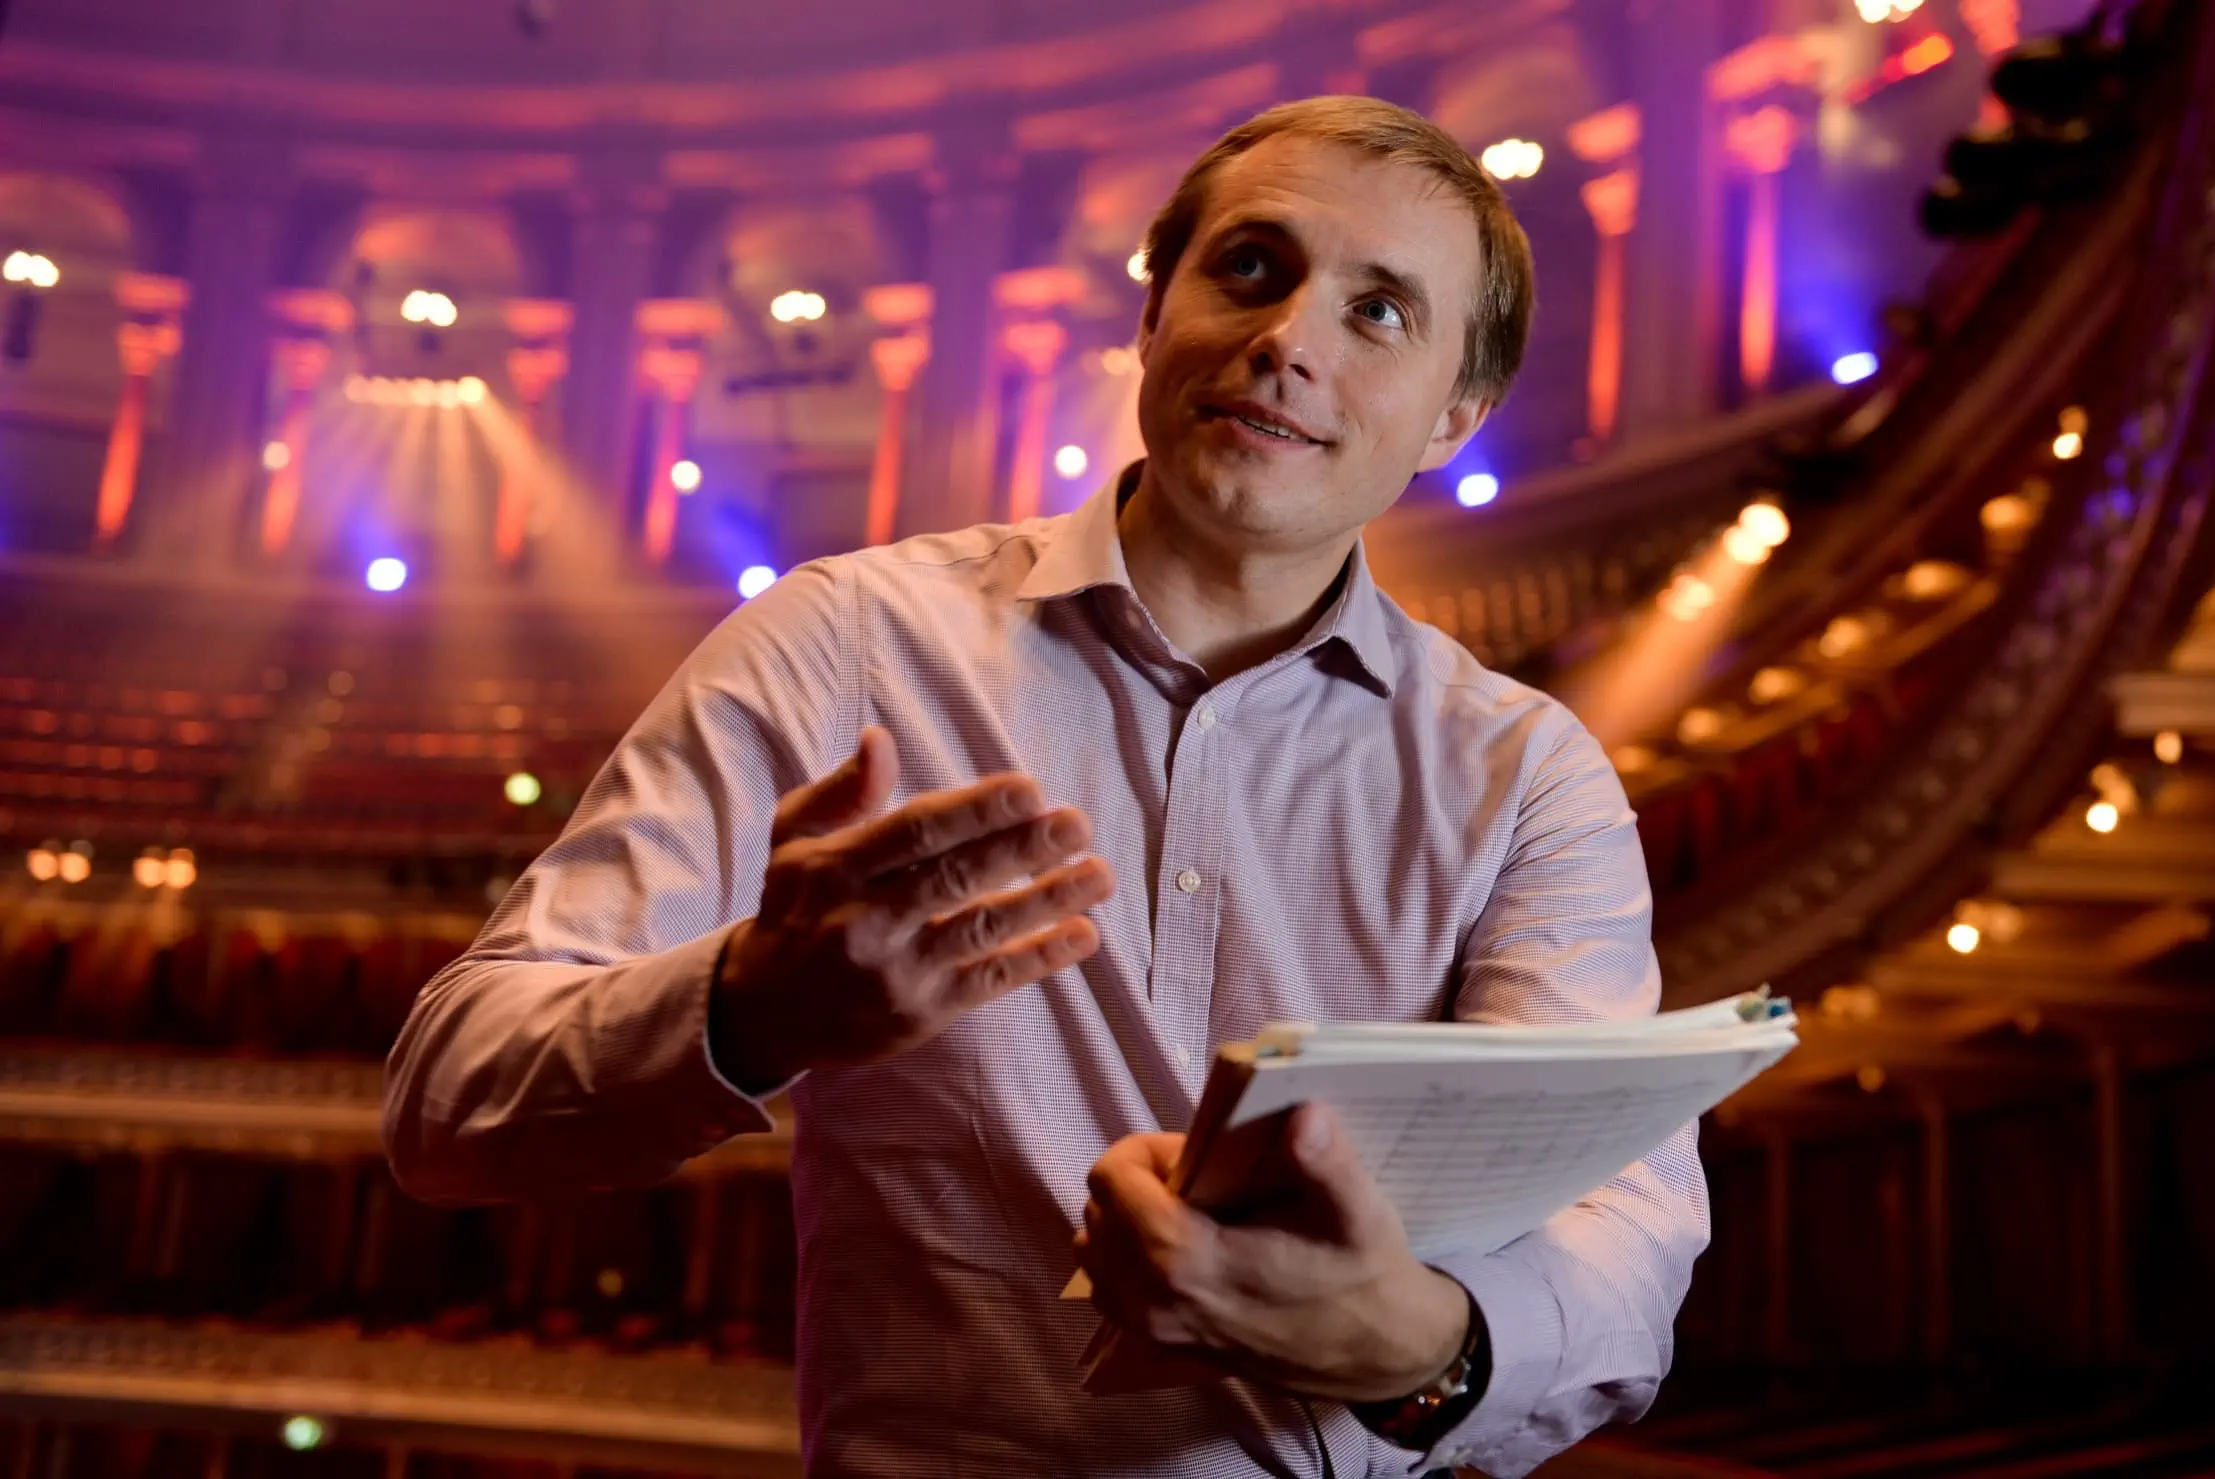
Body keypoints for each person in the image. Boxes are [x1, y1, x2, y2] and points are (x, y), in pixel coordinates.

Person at [383, 95, 1707, 1479]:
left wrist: (1413, 1343)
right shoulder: (843, 643)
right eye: (1251, 267)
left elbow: (1630, 1237)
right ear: (1153, 319)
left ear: (1455, 414)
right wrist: (748, 1000)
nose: (1287, 341)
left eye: (1380, 312)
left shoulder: (1529, 774)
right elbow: (447, 1097)